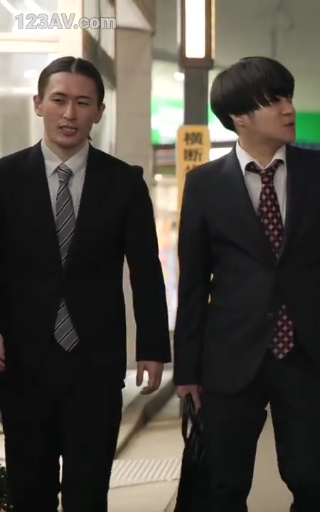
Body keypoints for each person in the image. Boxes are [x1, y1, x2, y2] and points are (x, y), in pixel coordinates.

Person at [173, 57, 320, 511]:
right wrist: (187, 368)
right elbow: (193, 279)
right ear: (239, 117)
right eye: (274, 100)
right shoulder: (204, 184)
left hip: (305, 351)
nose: (289, 109)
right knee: (223, 487)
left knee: (315, 480)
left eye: (289, 97)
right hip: (229, 355)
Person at [0, 56, 171, 510]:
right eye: (59, 100)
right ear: (38, 104)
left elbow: (145, 268)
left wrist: (153, 346)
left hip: (95, 361)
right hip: (22, 359)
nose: (69, 114)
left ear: (99, 111)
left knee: (89, 492)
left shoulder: (124, 182)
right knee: (28, 490)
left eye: (82, 102)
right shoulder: (5, 178)